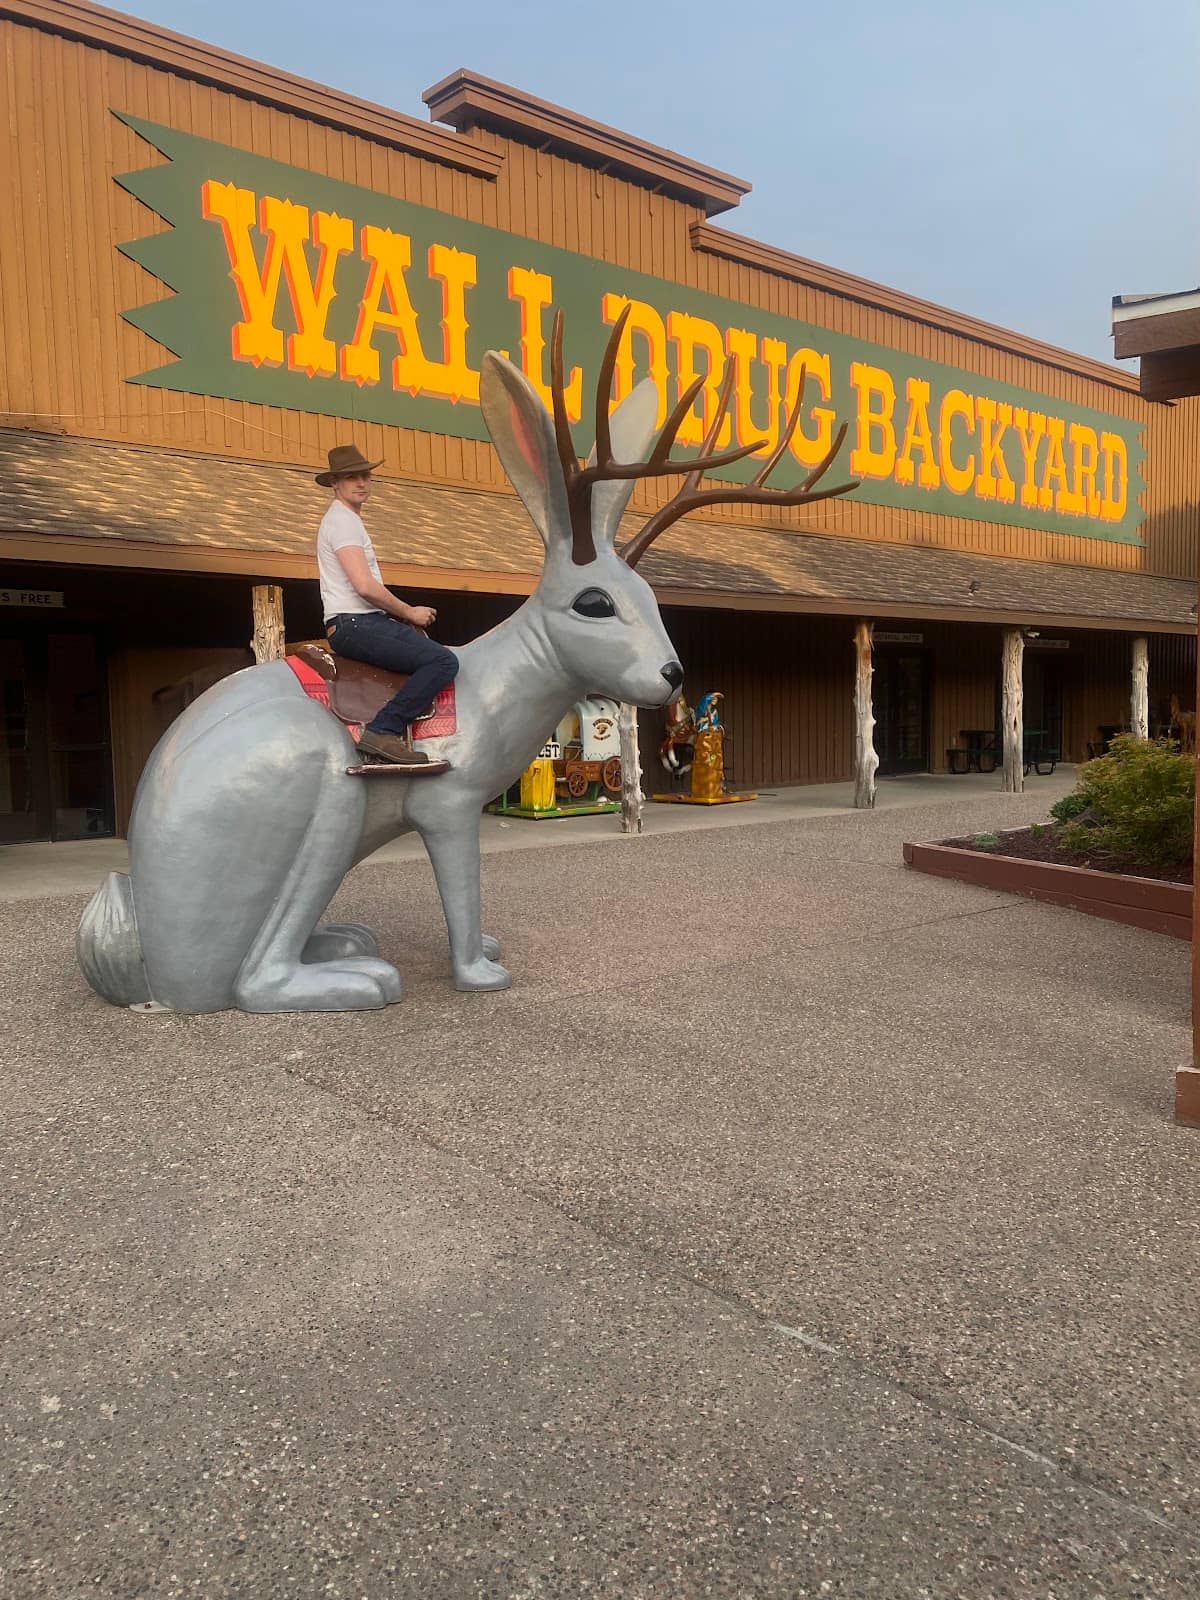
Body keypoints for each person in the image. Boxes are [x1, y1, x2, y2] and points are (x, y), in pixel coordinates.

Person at [315, 444, 459, 766]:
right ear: (335, 483)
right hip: (356, 622)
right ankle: (383, 730)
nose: (362, 482)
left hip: (356, 621)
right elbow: (364, 586)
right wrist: (410, 613)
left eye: (366, 475)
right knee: (443, 662)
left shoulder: (346, 519)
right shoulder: (342, 521)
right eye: (352, 477)